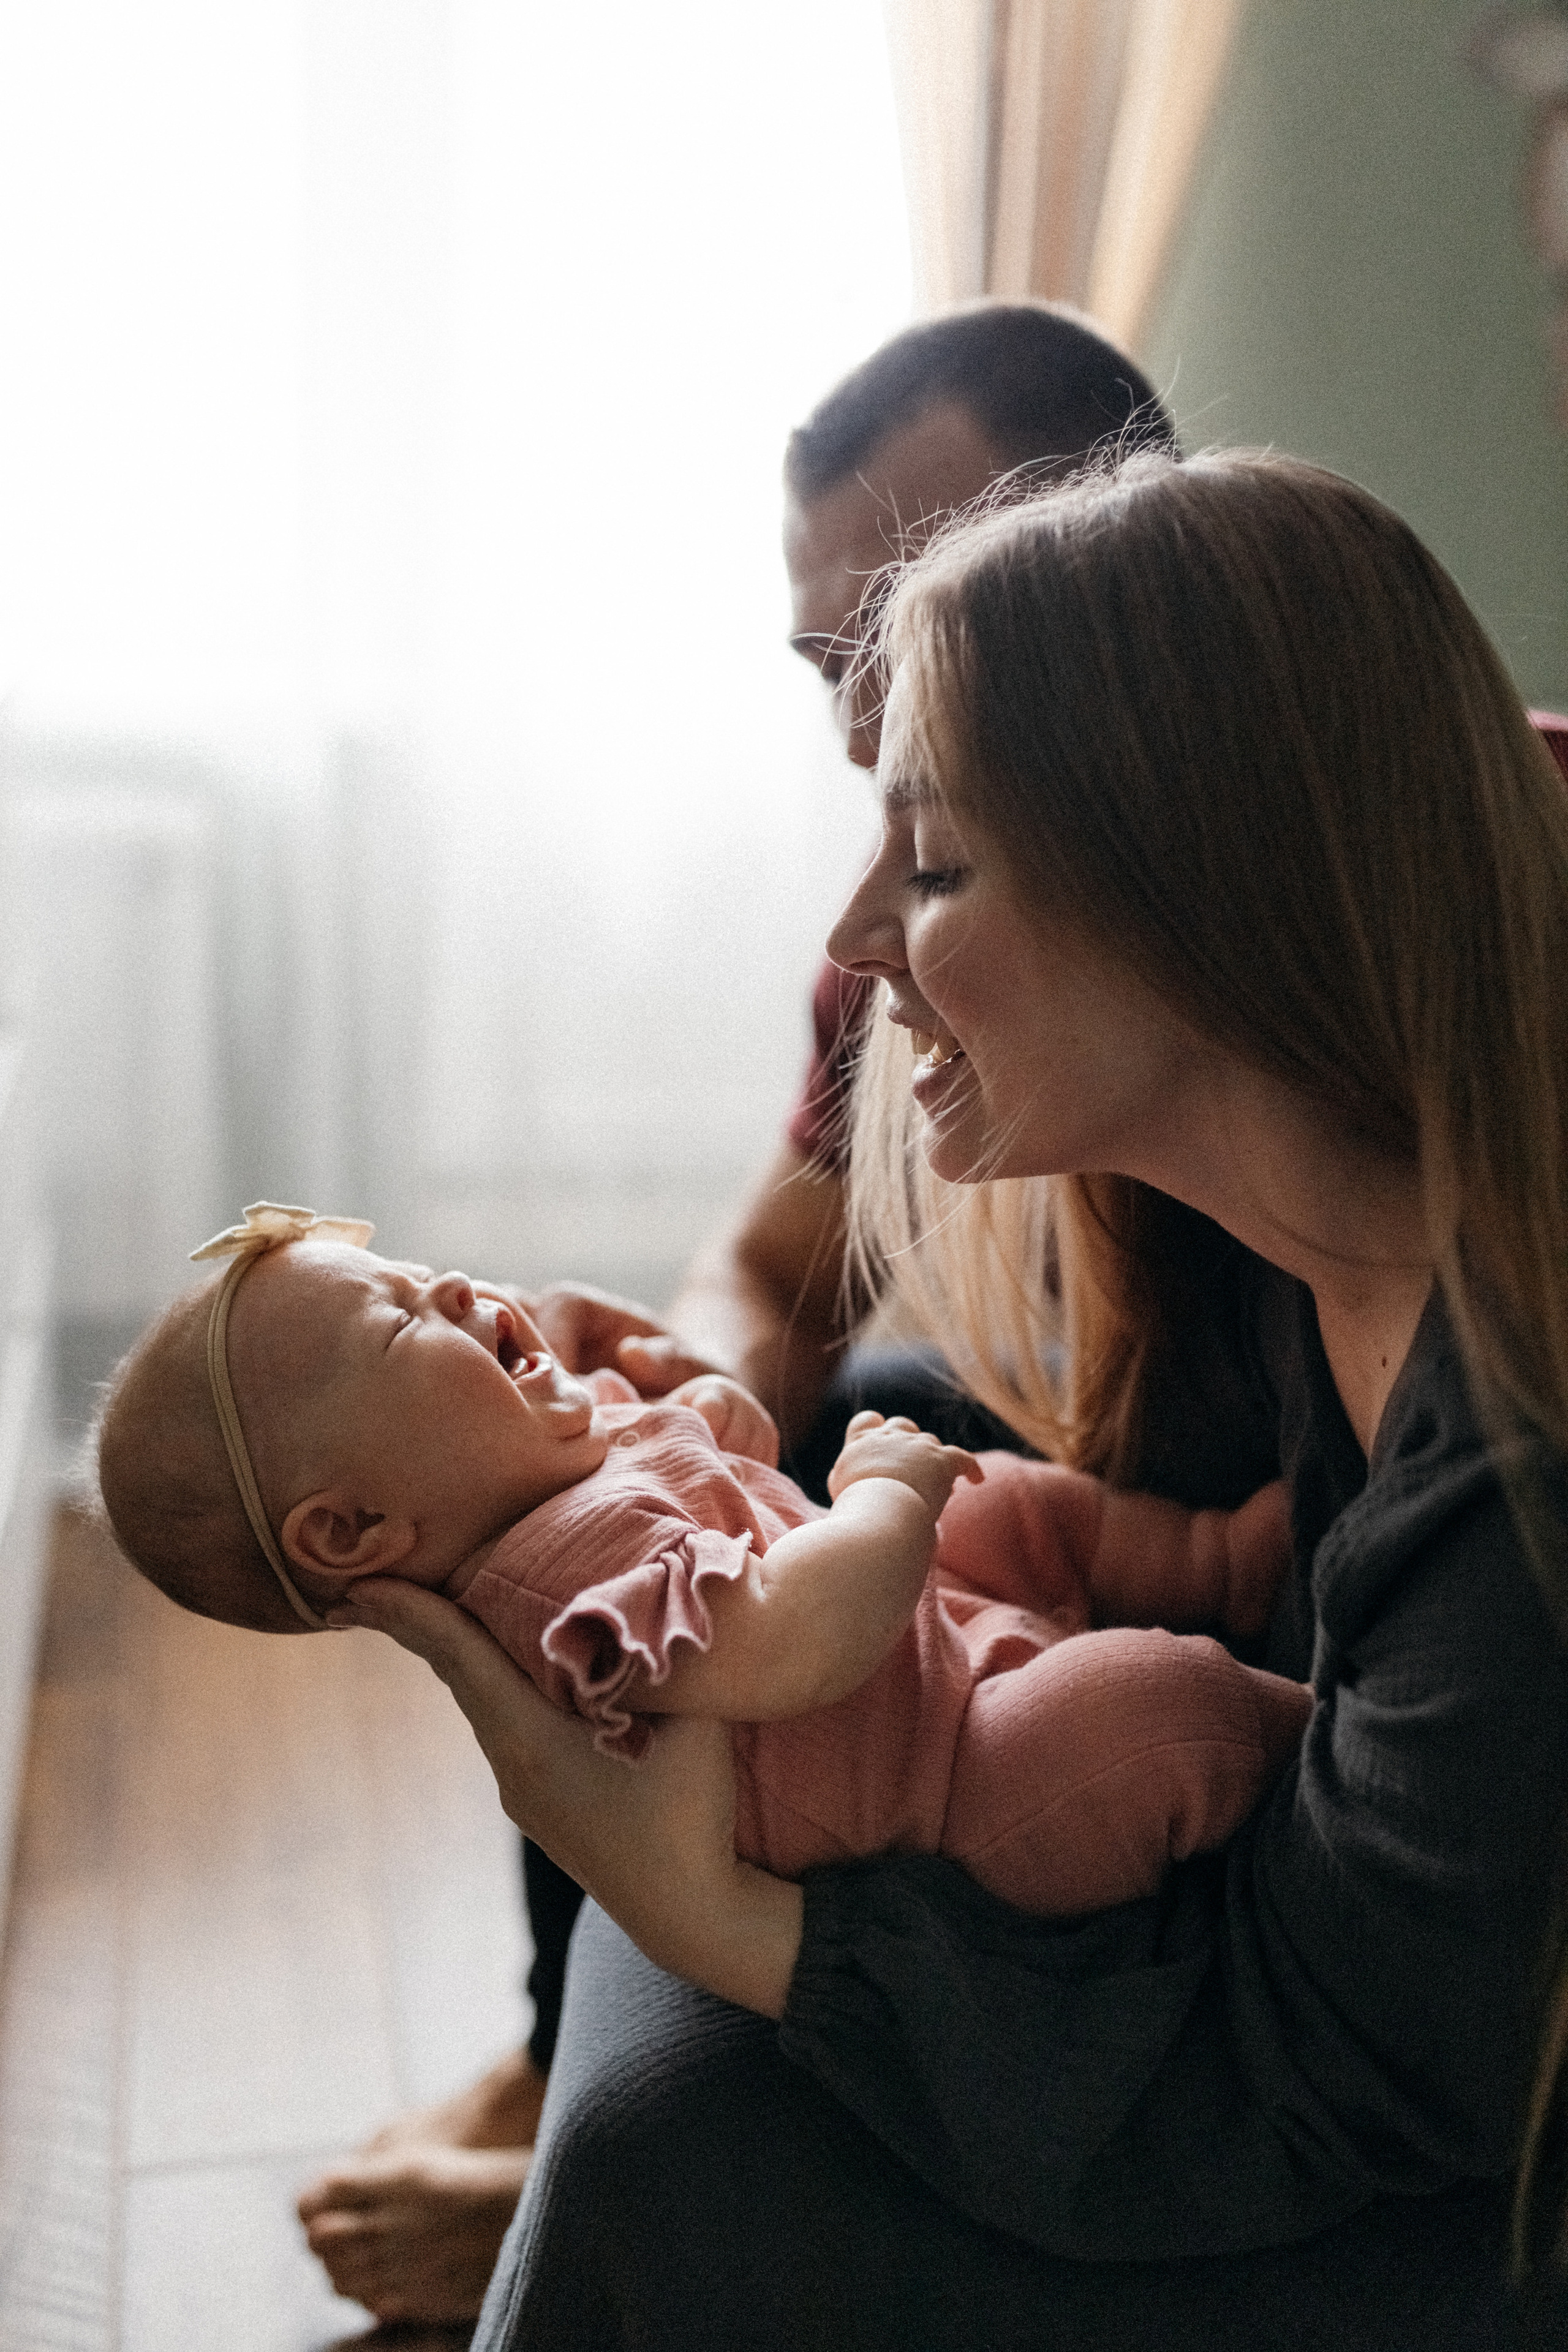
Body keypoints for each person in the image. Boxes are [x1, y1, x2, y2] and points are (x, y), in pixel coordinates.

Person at [331, 447, 1568, 2348]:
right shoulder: (1309, 1260)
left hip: (1471, 2196)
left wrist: (729, 1924)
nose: (853, 940)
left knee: (680, 2145)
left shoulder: (1516, 1457)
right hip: (1379, 2038)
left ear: (1202, 886)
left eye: (935, 862)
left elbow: (1319, 2083)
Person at [288, 298, 1182, 2326]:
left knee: (866, 1411)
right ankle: (552, 2062)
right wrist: (661, 1405)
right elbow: (773, 1269)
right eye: (824, 662)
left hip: (1186, 1477)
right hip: (1032, 1446)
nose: (872, 723)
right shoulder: (906, 933)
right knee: (675, 1475)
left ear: (1141, 551)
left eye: (928, 612)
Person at [97, 1215, 1308, 1920]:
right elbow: (792, 1639)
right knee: (1140, 1715)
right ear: (352, 1532)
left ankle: (1220, 1567)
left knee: (1003, 1504)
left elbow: (734, 1462)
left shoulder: (559, 1462)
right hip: (952, 1791)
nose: (457, 1285)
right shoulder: (563, 1584)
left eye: (419, 1272)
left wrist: (706, 1397)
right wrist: (883, 1500)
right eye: (406, 1321)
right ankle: (1312, 1749)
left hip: (930, 1647)